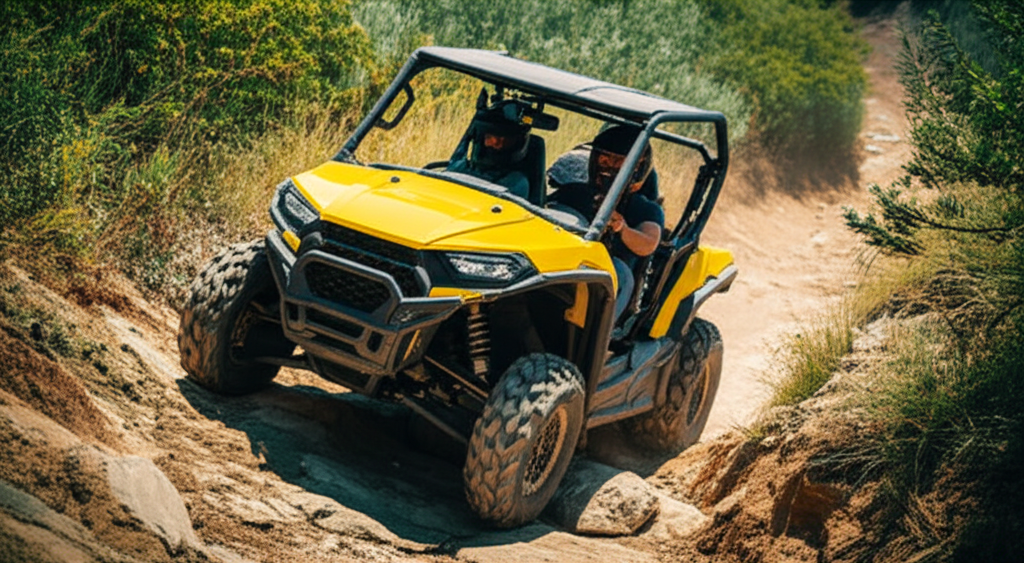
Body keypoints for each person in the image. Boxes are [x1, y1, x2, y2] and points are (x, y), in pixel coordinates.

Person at [549, 125, 664, 322]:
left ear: (638, 167)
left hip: (605, 274)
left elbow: (648, 243)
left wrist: (622, 228)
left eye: (618, 161)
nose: (608, 166)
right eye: (604, 158)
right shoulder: (573, 192)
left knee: (619, 273)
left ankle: (595, 335)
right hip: (563, 259)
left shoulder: (645, 208)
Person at [447, 103, 532, 199]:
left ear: (517, 144)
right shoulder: (460, 167)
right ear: (480, 138)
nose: (498, 145)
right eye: (491, 138)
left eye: (506, 141)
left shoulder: (516, 182)